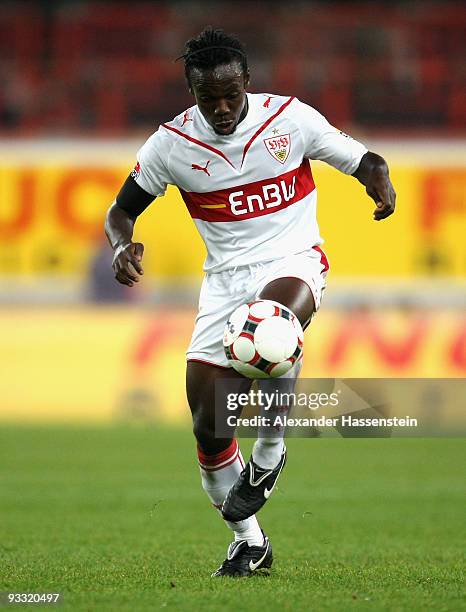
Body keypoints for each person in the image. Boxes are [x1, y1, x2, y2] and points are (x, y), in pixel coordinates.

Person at [104, 27, 396, 577]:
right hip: (222, 283)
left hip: (295, 262)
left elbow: (365, 160)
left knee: (272, 325)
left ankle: (270, 449)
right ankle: (250, 542)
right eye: (206, 98)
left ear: (248, 84)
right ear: (190, 91)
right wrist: (122, 245)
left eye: (230, 95)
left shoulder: (289, 119)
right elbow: (120, 211)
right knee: (207, 423)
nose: (219, 108)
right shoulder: (171, 146)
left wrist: (378, 182)